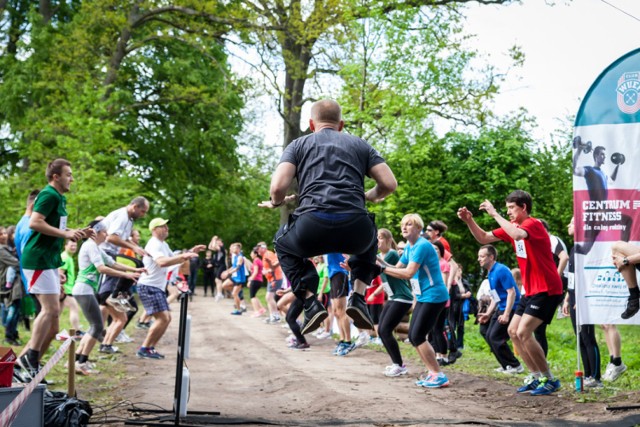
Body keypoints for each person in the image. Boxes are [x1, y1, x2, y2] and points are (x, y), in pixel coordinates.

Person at [259, 98, 396, 338]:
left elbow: (277, 187)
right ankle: (359, 297)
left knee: (282, 242)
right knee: (370, 235)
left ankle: (311, 302)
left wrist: (276, 202)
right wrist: (371, 196)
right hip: (355, 228)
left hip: (312, 226)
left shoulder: (298, 145)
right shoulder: (360, 145)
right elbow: (389, 184)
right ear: (341, 124)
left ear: (312, 124)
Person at [458, 190, 564, 396]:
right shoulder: (513, 227)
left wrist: (494, 213)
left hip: (548, 289)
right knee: (512, 331)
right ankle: (535, 377)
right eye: (506, 209)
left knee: (524, 332)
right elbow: (483, 238)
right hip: (530, 290)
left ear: (524, 207)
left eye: (511, 208)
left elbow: (517, 234)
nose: (508, 213)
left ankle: (550, 379)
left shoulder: (533, 224)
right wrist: (469, 221)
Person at [17, 159, 93, 379]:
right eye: (68, 174)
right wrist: (65, 234)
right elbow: (34, 222)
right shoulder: (49, 194)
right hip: (38, 259)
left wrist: (76, 232)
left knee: (55, 313)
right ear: (55, 177)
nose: (72, 178)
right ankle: (29, 357)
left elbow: (56, 227)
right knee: (50, 310)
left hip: (49, 261)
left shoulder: (59, 198)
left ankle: (31, 359)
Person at [379, 214, 450, 388]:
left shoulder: (421, 246)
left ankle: (438, 374)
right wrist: (373, 261)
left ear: (418, 228)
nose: (404, 227)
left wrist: (380, 267)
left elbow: (408, 273)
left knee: (417, 335)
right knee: (413, 336)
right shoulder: (410, 248)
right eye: (403, 224)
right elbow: (395, 269)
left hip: (434, 295)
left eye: (409, 224)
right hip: (423, 296)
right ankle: (433, 373)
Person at [72, 220, 144, 375]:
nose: (107, 234)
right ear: (96, 232)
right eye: (104, 231)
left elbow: (112, 263)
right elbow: (102, 268)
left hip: (87, 289)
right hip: (84, 289)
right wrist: (126, 275)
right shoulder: (90, 246)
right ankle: (81, 363)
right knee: (97, 326)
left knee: (95, 326)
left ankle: (77, 360)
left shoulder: (95, 247)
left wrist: (136, 269)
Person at [136, 218, 205, 359]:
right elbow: (162, 262)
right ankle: (144, 348)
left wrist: (190, 252)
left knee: (166, 319)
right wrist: (184, 255)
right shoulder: (154, 244)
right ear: (154, 230)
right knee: (163, 318)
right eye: (163, 226)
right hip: (149, 286)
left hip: (156, 286)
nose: (167, 228)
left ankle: (149, 348)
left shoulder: (163, 244)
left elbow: (173, 260)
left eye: (167, 226)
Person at [561, 217, 602, 388]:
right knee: (580, 338)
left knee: (587, 337)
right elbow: (573, 277)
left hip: (583, 300)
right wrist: (567, 298)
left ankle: (596, 377)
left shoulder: (587, 248)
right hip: (573, 298)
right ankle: (587, 375)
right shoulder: (574, 248)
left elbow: (588, 276)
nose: (568, 225)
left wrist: (582, 299)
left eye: (571, 222)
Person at [573, 142, 630, 255]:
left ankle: (622, 251)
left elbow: (612, 179)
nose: (604, 156)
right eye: (602, 154)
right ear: (596, 156)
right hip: (596, 213)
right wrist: (579, 150)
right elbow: (574, 170)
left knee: (627, 220)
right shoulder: (589, 170)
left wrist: (618, 165)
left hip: (601, 213)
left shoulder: (603, 173)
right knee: (585, 250)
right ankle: (571, 252)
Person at [477, 244, 523, 374]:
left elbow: (512, 292)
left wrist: (507, 314)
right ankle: (506, 365)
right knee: (486, 332)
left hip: (512, 307)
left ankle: (515, 366)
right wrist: (488, 313)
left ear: (491, 257)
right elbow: (495, 297)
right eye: (478, 256)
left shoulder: (501, 270)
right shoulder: (490, 272)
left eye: (482, 256)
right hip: (501, 307)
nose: (479, 259)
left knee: (495, 336)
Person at [98, 197, 149, 312]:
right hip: (103, 250)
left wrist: (138, 248)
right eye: (143, 211)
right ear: (135, 206)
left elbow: (124, 238)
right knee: (135, 265)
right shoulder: (122, 216)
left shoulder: (129, 219)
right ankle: (113, 295)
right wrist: (133, 248)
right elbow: (111, 237)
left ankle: (120, 294)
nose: (143, 215)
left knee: (137, 264)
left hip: (111, 252)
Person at [375, 228, 413, 377]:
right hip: (393, 297)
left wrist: (376, 259)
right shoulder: (379, 256)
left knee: (385, 330)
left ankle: (399, 365)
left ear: (389, 240)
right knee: (381, 331)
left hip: (402, 297)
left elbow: (390, 269)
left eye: (380, 238)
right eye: (376, 237)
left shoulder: (391, 254)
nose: (377, 240)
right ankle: (397, 363)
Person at [327, 252, 355, 356]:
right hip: (332, 273)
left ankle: (348, 341)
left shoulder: (335, 238)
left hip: (339, 272)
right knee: (335, 312)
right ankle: (342, 340)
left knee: (341, 310)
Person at [59, 239, 83, 336]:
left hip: (68, 288)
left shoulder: (69, 257)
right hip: (66, 289)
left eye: (75, 246)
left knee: (57, 313)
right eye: (71, 245)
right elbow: (60, 273)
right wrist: (62, 288)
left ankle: (51, 331)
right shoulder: (65, 257)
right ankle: (76, 331)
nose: (73, 248)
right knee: (74, 308)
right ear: (65, 246)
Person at [257, 242, 284, 324]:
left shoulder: (268, 254)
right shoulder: (264, 255)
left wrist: (267, 270)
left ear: (263, 248)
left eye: (258, 248)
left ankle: (276, 316)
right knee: (268, 298)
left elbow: (276, 264)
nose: (257, 250)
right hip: (271, 279)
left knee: (269, 297)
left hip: (275, 278)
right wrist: (266, 271)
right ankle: (273, 315)